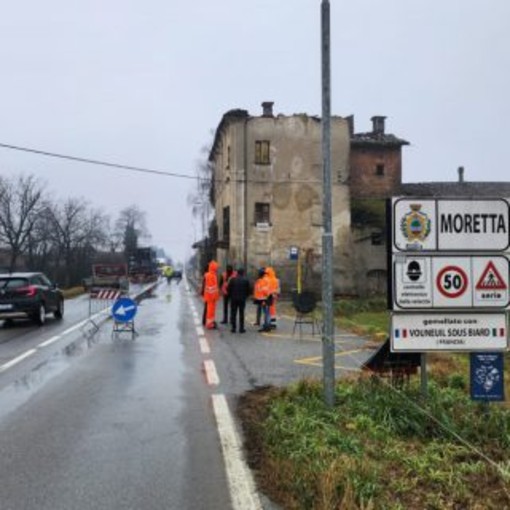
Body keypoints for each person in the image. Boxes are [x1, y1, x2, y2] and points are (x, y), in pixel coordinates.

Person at [227, 267, 251, 333]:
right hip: (242, 299)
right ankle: (241, 328)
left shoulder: (232, 280)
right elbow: (249, 290)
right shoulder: (246, 280)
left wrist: (230, 296)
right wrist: (245, 296)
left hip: (234, 299)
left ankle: (233, 328)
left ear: (237, 273)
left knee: (233, 313)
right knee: (241, 313)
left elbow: (228, 289)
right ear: (243, 273)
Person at [253, 268, 272, 332]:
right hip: (267, 298)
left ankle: (266, 327)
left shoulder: (263, 280)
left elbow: (264, 290)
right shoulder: (267, 279)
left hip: (264, 298)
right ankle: (268, 325)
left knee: (266, 313)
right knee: (267, 313)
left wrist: (262, 298)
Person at [202, 261, 219, 329]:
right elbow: (211, 288)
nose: (217, 269)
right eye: (216, 268)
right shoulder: (211, 275)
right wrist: (214, 296)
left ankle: (210, 322)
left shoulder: (209, 275)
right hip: (211, 297)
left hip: (210, 296)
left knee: (211, 311)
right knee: (210, 311)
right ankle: (209, 324)